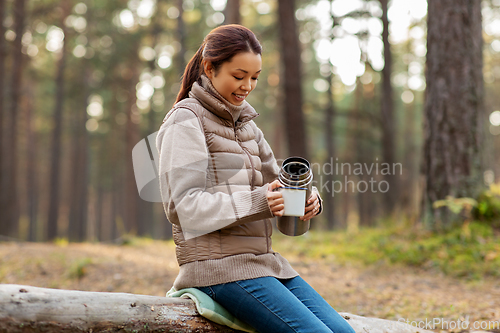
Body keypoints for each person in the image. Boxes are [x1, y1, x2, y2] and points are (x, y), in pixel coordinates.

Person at [156, 24, 355, 333]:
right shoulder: (186, 120)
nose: (247, 86)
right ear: (210, 68)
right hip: (217, 270)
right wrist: (262, 200)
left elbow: (279, 184)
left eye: (254, 78)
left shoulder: (248, 126)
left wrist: (307, 201)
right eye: (239, 76)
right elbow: (182, 207)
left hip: (265, 263)